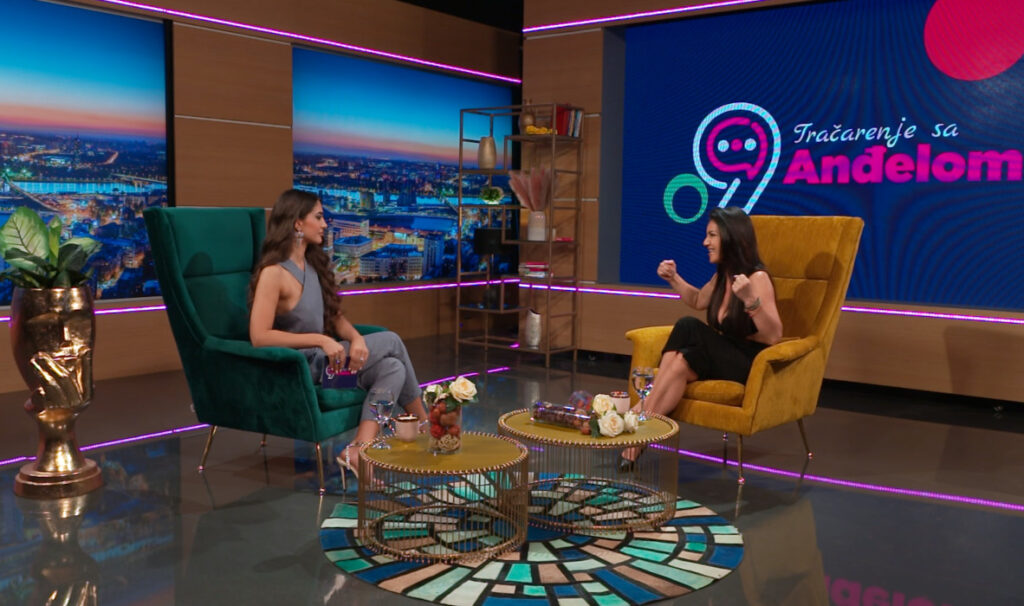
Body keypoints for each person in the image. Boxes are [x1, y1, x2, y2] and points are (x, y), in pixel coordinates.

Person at [248, 189, 427, 485]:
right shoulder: (273, 273)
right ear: (297, 223)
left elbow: (334, 317)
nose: (325, 224)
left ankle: (358, 450)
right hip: (304, 371)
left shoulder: (313, 266)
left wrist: (356, 338)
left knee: (392, 368)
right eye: (318, 217)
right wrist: (320, 340)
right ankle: (425, 426)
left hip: (332, 374)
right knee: (392, 340)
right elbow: (259, 336)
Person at [622, 206, 783, 470]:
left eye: (712, 235)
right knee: (681, 360)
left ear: (731, 238)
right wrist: (674, 278)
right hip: (721, 356)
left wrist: (750, 301)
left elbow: (774, 336)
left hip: (746, 362)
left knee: (688, 326)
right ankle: (639, 439)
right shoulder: (722, 275)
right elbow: (698, 299)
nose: (705, 242)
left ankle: (636, 416)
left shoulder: (757, 278)